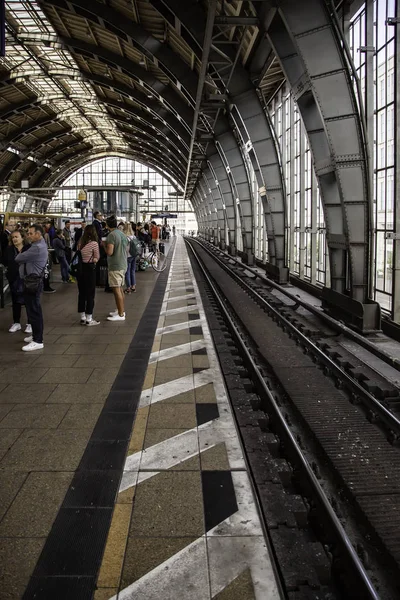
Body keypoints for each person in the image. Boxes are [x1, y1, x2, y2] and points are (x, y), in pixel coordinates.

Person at [15, 224, 48, 351]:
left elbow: (18, 258)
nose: (28, 235)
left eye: (30, 233)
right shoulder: (37, 245)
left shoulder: (37, 248)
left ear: (38, 235)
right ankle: (35, 335)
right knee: (32, 310)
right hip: (32, 281)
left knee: (34, 311)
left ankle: (38, 340)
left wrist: (22, 256)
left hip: (32, 282)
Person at [3, 229, 32, 334]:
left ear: (22, 237)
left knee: (29, 301)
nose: (14, 239)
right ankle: (16, 322)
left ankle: (30, 323)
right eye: (13, 237)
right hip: (14, 278)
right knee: (15, 301)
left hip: (27, 279)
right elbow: (5, 261)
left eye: (16, 237)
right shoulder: (9, 249)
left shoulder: (29, 249)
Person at [105, 215, 128, 321]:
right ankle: (121, 310)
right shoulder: (122, 234)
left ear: (107, 225)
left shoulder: (111, 235)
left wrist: (103, 245)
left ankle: (121, 314)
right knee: (120, 289)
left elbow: (110, 252)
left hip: (115, 265)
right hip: (123, 263)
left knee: (116, 289)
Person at [77, 225, 100, 326]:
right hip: (90, 269)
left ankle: (82, 317)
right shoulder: (94, 243)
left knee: (82, 293)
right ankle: (89, 318)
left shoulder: (80, 242)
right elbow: (96, 257)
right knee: (90, 294)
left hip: (80, 269)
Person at [122, 222, 137, 294]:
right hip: (134, 255)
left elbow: (124, 247)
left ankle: (128, 288)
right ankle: (133, 286)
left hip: (128, 256)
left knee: (127, 272)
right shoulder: (133, 236)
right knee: (132, 271)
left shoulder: (125, 237)